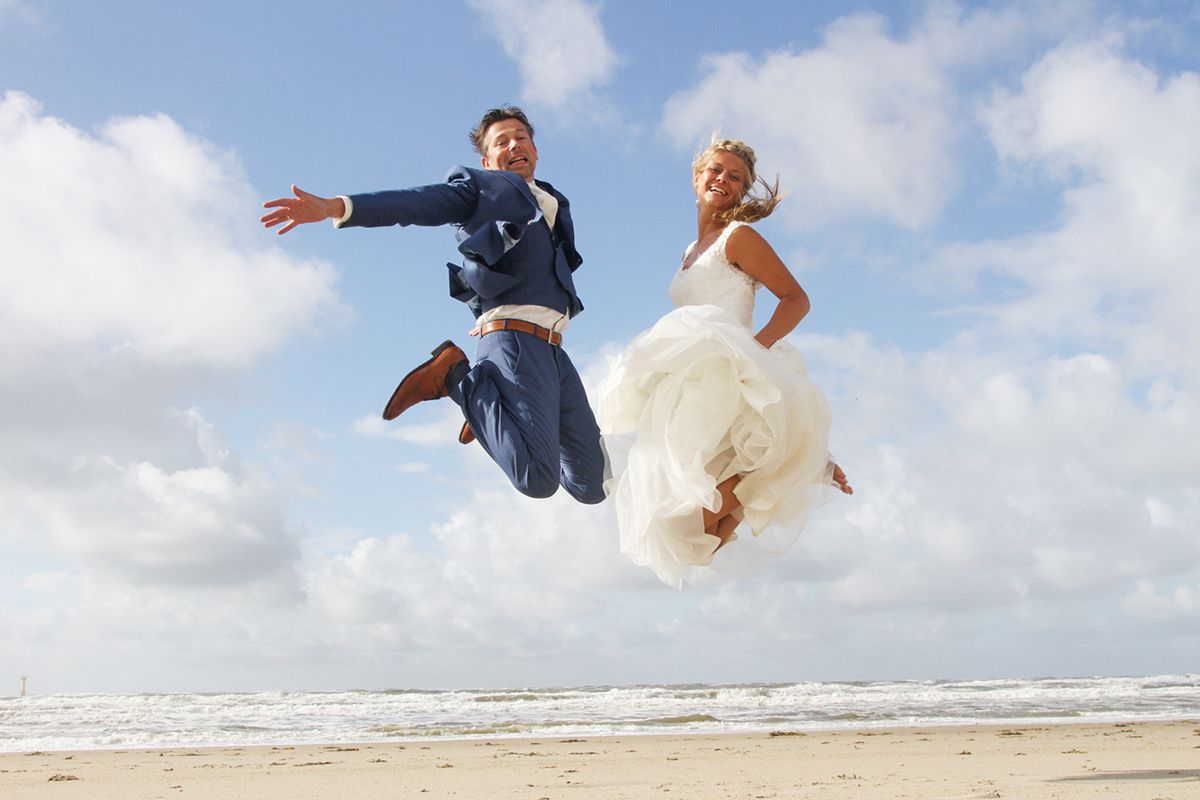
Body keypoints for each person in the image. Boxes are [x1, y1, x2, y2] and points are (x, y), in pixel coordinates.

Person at [261, 107, 605, 504]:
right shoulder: (478, 188)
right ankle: (457, 378)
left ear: (536, 148)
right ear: (487, 160)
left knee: (590, 486)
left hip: (554, 349)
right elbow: (414, 204)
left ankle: (493, 411)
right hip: (513, 340)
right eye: (502, 142)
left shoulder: (554, 201)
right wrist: (336, 207)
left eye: (521, 137)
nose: (514, 145)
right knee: (537, 480)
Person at [598, 138, 852, 588]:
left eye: (735, 177)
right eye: (716, 170)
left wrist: (756, 349)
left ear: (741, 192)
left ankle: (799, 457)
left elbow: (796, 300)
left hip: (732, 369)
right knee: (691, 536)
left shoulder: (739, 238)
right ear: (697, 179)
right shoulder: (688, 253)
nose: (723, 180)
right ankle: (801, 461)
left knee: (695, 522)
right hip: (692, 379)